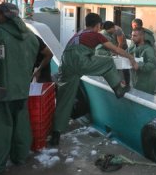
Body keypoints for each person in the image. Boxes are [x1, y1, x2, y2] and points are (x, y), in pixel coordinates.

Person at [50, 13, 138, 146]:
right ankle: (118, 89)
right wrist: (131, 58)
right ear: (98, 25)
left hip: (65, 63)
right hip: (80, 61)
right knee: (108, 62)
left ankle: (55, 134)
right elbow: (115, 49)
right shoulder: (96, 35)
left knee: (64, 100)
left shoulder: (78, 34)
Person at [0, 2, 39, 175]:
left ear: (3, 15)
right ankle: (20, 157)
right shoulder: (31, 37)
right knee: (21, 125)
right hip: (22, 90)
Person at [130, 28, 156, 93]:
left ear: (142, 36)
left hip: (146, 85)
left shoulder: (149, 49)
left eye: (135, 36)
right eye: (132, 35)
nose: (132, 38)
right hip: (136, 83)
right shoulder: (133, 47)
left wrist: (139, 65)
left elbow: (153, 65)